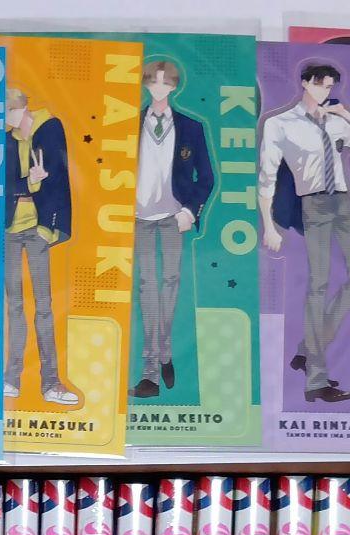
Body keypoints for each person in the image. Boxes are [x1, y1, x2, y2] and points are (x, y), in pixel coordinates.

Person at [259, 63, 350, 403]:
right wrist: (268, 225)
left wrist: (345, 113)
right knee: (318, 286)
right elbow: (267, 176)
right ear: (305, 83)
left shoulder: (336, 122)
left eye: (330, 86)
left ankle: (307, 349)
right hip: (314, 204)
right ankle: (316, 381)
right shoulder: (280, 124)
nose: (324, 91)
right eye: (320, 84)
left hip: (342, 202)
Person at [130, 60, 215, 399]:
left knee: (169, 285)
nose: (159, 88)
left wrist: (189, 211)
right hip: (137, 217)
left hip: (173, 217)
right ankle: (152, 371)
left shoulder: (191, 127)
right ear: (146, 84)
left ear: (174, 86)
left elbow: (205, 177)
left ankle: (164, 351)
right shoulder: (129, 124)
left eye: (165, 83)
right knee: (147, 289)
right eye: (154, 82)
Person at [3, 87, 78, 405]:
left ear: (20, 108)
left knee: (44, 306)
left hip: (38, 229)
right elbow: (5, 185)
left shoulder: (50, 128)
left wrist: (52, 226)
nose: (7, 119)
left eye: (9, 111)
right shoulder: (7, 141)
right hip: (8, 231)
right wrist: (32, 182)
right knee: (14, 306)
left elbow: (60, 179)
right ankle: (11, 379)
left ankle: (51, 383)